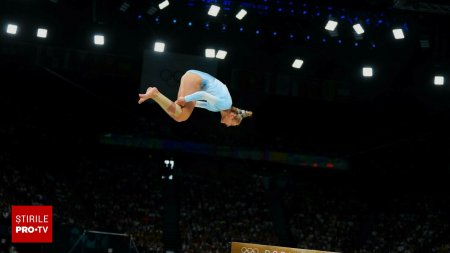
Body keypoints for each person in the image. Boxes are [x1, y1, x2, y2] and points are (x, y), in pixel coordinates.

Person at [138, 69, 253, 127]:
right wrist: (186, 99)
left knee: (179, 113)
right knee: (182, 115)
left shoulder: (217, 108)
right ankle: (155, 94)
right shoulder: (225, 105)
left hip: (193, 77)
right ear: (232, 115)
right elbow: (203, 95)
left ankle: (155, 94)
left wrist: (184, 101)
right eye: (231, 124)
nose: (228, 126)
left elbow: (197, 103)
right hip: (197, 79)